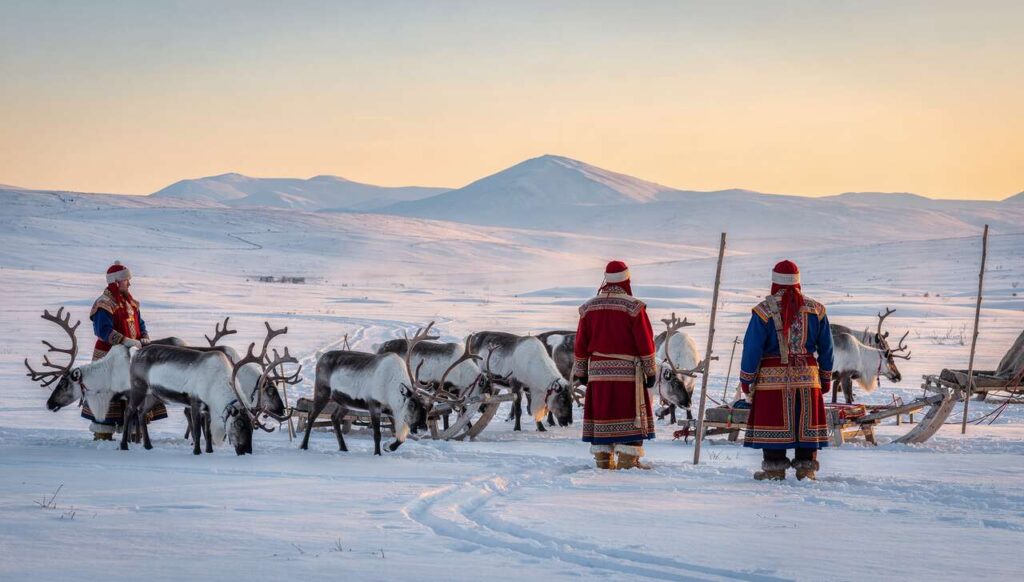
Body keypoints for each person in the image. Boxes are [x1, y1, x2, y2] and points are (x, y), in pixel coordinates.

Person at [740, 260, 834, 480]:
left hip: (772, 380)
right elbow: (827, 348)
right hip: (808, 378)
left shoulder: (763, 311)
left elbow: (752, 347)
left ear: (775, 281)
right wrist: (825, 377)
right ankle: (806, 469)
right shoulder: (816, 309)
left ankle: (774, 469)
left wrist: (746, 378)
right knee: (805, 424)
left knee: (774, 422)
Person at [572, 261, 658, 470]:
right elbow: (645, 342)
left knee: (602, 411)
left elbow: (580, 343)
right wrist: (650, 371)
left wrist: (582, 371)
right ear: (626, 280)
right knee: (628, 413)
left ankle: (603, 460)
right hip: (628, 374)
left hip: (597, 372)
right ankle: (628, 461)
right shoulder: (634, 307)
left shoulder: (588, 308)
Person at [82, 261, 166, 440]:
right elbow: (102, 330)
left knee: (133, 388)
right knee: (106, 390)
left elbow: (140, 324)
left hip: (131, 354)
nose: (129, 283)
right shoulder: (104, 303)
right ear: (116, 281)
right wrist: (124, 340)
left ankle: (134, 429)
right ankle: (103, 431)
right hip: (108, 356)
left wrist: (144, 337)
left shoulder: (131, 303)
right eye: (126, 280)